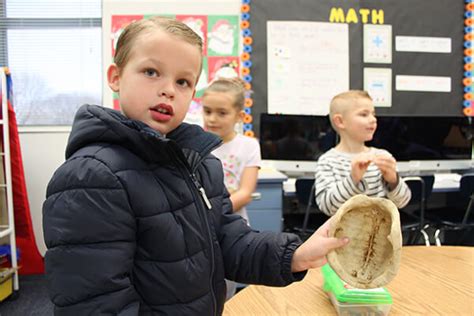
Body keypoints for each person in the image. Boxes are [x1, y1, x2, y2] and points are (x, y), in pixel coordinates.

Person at [42, 17, 349, 315]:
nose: (168, 89)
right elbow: (95, 302)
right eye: (151, 71)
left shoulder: (199, 164)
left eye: (183, 81)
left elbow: (230, 242)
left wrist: (296, 254)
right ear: (115, 76)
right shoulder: (90, 177)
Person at [202, 77, 260, 300]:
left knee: (225, 290)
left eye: (221, 113)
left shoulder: (248, 146)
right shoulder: (196, 143)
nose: (212, 119)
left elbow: (245, 193)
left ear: (239, 116)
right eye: (207, 111)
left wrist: (211, 211)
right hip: (201, 230)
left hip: (231, 229)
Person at [315, 90, 411, 216]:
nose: (373, 120)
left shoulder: (383, 156)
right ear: (340, 121)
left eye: (373, 114)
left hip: (382, 234)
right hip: (344, 235)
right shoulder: (328, 161)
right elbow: (329, 207)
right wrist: (353, 179)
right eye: (364, 114)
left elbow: (402, 202)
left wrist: (393, 181)